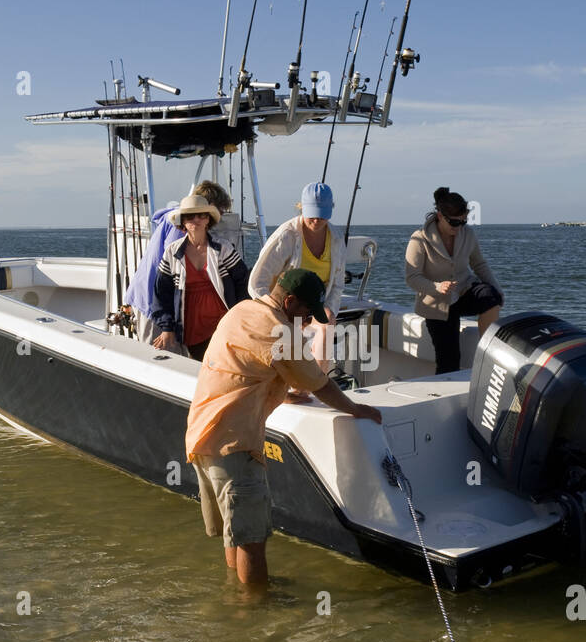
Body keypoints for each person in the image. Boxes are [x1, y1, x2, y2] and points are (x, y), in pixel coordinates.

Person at [186, 269, 383, 585]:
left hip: (202, 436)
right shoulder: (280, 331)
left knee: (235, 533)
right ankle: (256, 610)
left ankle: (238, 599)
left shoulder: (242, 310)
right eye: (306, 312)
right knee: (252, 540)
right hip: (234, 446)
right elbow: (320, 385)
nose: (307, 321)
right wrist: (356, 409)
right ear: (289, 301)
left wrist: (283, 392)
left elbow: (245, 368)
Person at [249, 182, 346, 376]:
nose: (317, 220)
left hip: (313, 307)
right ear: (301, 207)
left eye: (322, 214)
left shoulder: (336, 237)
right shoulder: (287, 236)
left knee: (327, 323)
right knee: (289, 339)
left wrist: (327, 309)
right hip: (283, 309)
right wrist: (277, 315)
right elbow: (256, 283)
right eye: (312, 214)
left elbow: (337, 285)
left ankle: (318, 384)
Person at [404, 186, 505, 373]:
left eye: (463, 222)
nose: (459, 227)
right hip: (436, 305)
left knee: (491, 297)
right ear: (440, 215)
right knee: (448, 362)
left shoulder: (468, 234)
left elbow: (479, 264)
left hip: (464, 292)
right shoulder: (419, 239)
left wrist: (497, 288)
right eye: (454, 223)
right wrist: (436, 287)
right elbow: (412, 278)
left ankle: (487, 356)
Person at [150, 195, 250, 359]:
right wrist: (167, 328)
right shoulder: (172, 252)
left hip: (223, 324)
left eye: (201, 215)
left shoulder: (223, 248)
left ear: (208, 219)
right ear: (183, 221)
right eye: (190, 216)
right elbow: (161, 294)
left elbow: (243, 284)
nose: (196, 219)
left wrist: (240, 319)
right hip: (192, 328)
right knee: (200, 367)